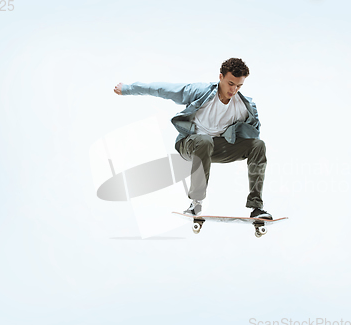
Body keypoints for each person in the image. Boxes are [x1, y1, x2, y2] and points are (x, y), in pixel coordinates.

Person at [113, 58, 272, 219]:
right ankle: (196, 203)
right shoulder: (200, 91)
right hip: (190, 144)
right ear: (220, 77)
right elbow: (163, 89)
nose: (234, 90)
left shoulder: (245, 107)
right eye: (231, 83)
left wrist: (251, 161)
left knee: (258, 145)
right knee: (204, 141)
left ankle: (256, 207)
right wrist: (127, 89)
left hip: (218, 148)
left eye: (239, 86)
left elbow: (253, 135)